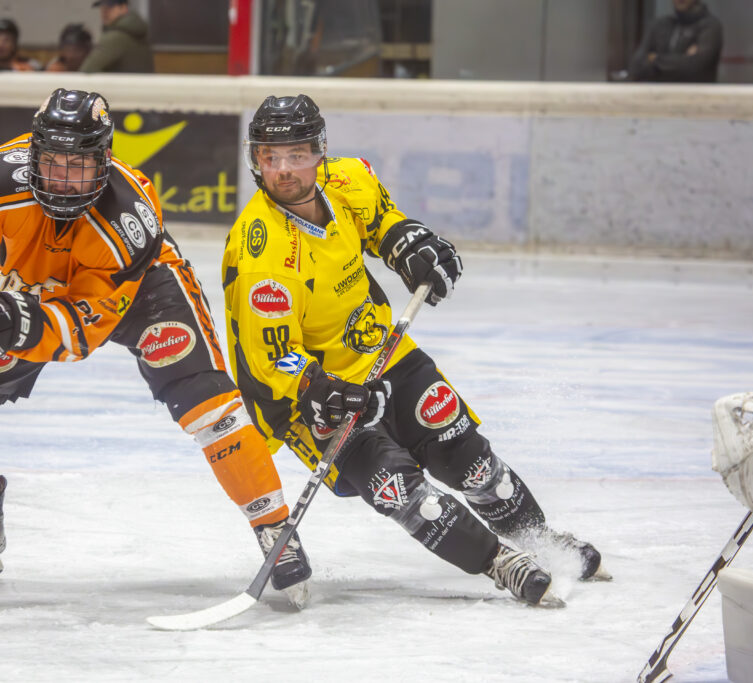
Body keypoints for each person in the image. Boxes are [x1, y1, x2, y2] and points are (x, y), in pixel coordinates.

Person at [0, 89, 311, 606]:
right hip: (32, 280)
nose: (64, 178)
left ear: (104, 160)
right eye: (53, 162)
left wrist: (16, 320)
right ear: (33, 152)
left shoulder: (129, 215)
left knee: (206, 405)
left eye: (80, 166)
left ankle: (275, 529)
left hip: (142, 291)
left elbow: (83, 327)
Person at [221, 94, 610, 607]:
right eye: (271, 157)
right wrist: (322, 389)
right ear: (255, 159)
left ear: (320, 152)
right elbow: (269, 361)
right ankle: (501, 563)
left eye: (296, 154)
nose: (283, 170)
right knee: (401, 489)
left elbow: (385, 225)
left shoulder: (348, 179)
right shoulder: (260, 255)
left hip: (386, 354)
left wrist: (412, 246)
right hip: (311, 394)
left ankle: (541, 541)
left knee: (471, 461)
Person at [628, 0, 722, 83]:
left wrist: (655, 59)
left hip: (696, 98)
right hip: (659, 96)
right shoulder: (660, 25)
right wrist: (684, 59)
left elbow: (697, 66)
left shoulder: (710, 27)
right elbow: (636, 66)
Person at [80, 0, 153, 74]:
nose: (104, 12)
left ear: (123, 8)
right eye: (102, 8)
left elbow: (87, 70)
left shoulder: (115, 37)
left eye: (110, 7)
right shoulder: (137, 32)